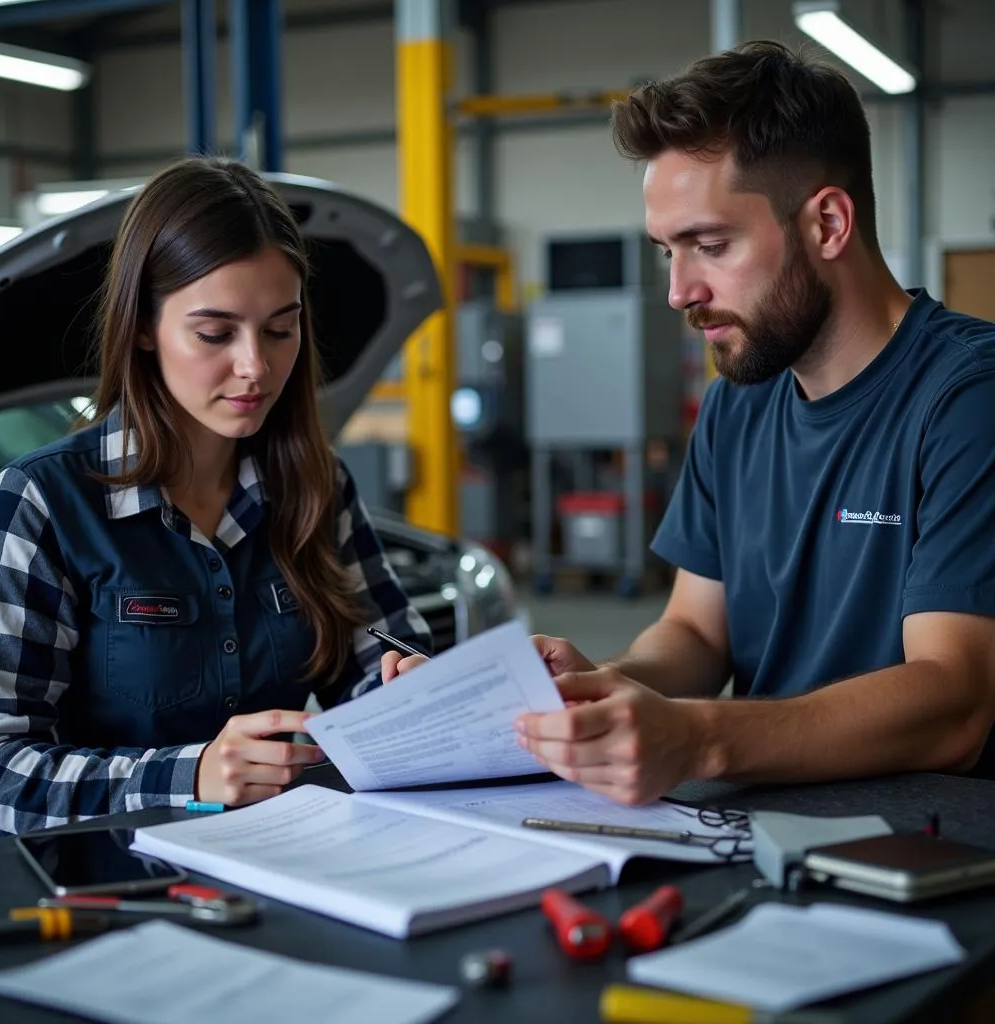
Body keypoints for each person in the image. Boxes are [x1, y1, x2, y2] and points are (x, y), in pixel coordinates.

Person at [385, 40, 995, 804]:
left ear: (829, 224)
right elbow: (697, 635)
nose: (679, 292)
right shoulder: (741, 399)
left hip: (929, 852)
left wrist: (699, 737)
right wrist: (595, 689)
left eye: (711, 245)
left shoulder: (967, 397)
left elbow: (954, 701)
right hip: (764, 830)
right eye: (667, 252)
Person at [0, 157, 431, 838]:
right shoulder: (39, 505)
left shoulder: (313, 485)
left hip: (285, 864)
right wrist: (189, 775)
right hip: (101, 897)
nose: (257, 366)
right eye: (215, 333)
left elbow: (380, 652)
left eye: (281, 328)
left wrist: (410, 685)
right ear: (142, 330)